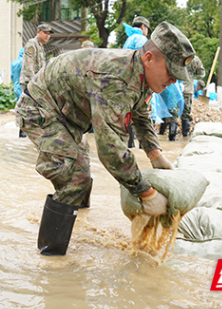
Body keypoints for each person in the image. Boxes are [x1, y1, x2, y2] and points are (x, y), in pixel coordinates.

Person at [15, 21, 196, 256]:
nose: (173, 80)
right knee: (73, 177)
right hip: (41, 108)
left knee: (83, 171)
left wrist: (155, 153)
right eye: (171, 72)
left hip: (68, 116)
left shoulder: (140, 74)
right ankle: (52, 257)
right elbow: (110, 150)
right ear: (149, 58)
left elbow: (140, 115)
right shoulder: (116, 79)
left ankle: (79, 224)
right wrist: (145, 193)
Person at [122, 16, 151, 148]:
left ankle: (129, 145)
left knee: (128, 114)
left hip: (126, 81)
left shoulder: (129, 39)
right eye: (147, 29)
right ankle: (143, 147)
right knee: (140, 116)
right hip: (136, 82)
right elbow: (144, 60)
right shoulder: (141, 39)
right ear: (143, 27)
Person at [19, 23, 53, 93]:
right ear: (38, 32)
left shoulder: (40, 46)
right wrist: (32, 83)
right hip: (30, 82)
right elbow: (29, 64)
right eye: (45, 33)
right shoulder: (32, 43)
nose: (47, 35)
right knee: (29, 103)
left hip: (37, 82)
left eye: (49, 34)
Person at [180, 55, 206, 137]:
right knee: (186, 113)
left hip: (175, 88)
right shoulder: (194, 59)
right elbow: (201, 74)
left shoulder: (176, 55)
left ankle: (170, 136)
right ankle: (185, 136)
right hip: (187, 89)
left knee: (172, 112)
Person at [11, 47, 26, 138]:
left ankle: (21, 131)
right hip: (24, 87)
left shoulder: (14, 63)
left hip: (16, 87)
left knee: (20, 108)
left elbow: (12, 76)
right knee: (26, 109)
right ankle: (23, 132)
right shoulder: (26, 63)